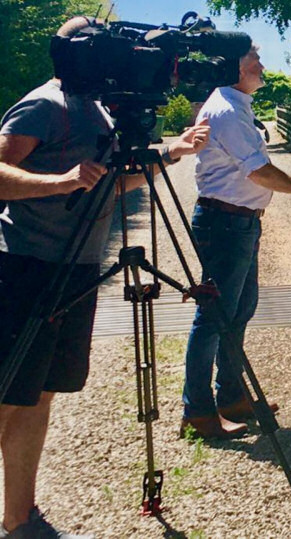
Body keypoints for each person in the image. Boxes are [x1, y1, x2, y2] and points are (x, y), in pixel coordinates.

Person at [0, 16, 211, 539]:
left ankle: (19, 520)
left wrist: (172, 153)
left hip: (76, 266)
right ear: (77, 53)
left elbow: (114, 185)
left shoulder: (97, 106)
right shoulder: (43, 104)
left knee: (40, 393)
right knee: (7, 394)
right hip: (26, 264)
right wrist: (58, 182)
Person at [181, 46, 291, 439]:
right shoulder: (226, 109)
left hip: (236, 223)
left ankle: (230, 396)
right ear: (232, 68)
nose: (261, 67)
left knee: (238, 311)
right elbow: (257, 171)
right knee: (215, 317)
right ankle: (199, 409)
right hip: (225, 223)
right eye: (253, 61)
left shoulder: (234, 104)